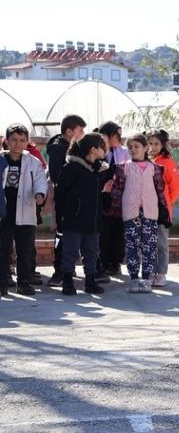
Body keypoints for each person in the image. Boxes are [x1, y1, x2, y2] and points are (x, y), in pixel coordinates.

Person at [109, 134, 170, 294]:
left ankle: (146, 278)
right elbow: (117, 191)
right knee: (132, 246)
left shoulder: (155, 168)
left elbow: (160, 192)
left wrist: (164, 213)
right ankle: (134, 278)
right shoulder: (124, 167)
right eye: (130, 147)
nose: (133, 150)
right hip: (130, 212)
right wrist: (114, 212)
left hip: (150, 213)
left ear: (145, 148)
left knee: (149, 246)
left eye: (137, 146)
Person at [54, 133, 108, 295]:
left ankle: (90, 281)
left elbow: (100, 195)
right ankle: (68, 282)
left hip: (92, 220)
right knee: (70, 251)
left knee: (91, 251)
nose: (106, 151)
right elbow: (61, 193)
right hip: (73, 219)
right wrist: (60, 217)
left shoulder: (99, 170)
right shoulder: (71, 168)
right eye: (103, 147)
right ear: (93, 149)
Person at [0, 124, 48, 297]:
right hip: (4, 213)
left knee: (25, 250)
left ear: (27, 142)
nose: (18, 144)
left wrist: (40, 194)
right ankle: (3, 283)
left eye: (22, 140)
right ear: (6, 141)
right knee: (3, 249)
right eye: (14, 140)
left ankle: (24, 282)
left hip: (25, 210)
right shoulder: (1, 159)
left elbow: (40, 180)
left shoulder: (33, 162)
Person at [45, 114, 87, 288]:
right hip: (64, 201)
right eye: (80, 130)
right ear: (69, 132)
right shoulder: (58, 149)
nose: (83, 133)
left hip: (75, 200)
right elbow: (56, 176)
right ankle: (59, 271)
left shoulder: (75, 147)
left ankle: (68, 267)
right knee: (61, 236)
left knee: (73, 235)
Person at [147, 130, 179, 288]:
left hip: (161, 209)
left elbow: (175, 187)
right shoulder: (144, 161)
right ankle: (151, 271)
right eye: (150, 143)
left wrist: (165, 203)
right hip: (146, 209)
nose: (153, 147)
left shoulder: (167, 162)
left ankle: (161, 273)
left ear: (162, 145)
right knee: (148, 242)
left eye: (156, 144)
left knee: (161, 243)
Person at [97, 121, 129, 279]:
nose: (119, 138)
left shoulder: (124, 152)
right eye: (116, 135)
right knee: (103, 233)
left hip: (120, 200)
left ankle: (115, 263)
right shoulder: (98, 150)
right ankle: (102, 263)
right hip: (102, 198)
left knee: (118, 233)